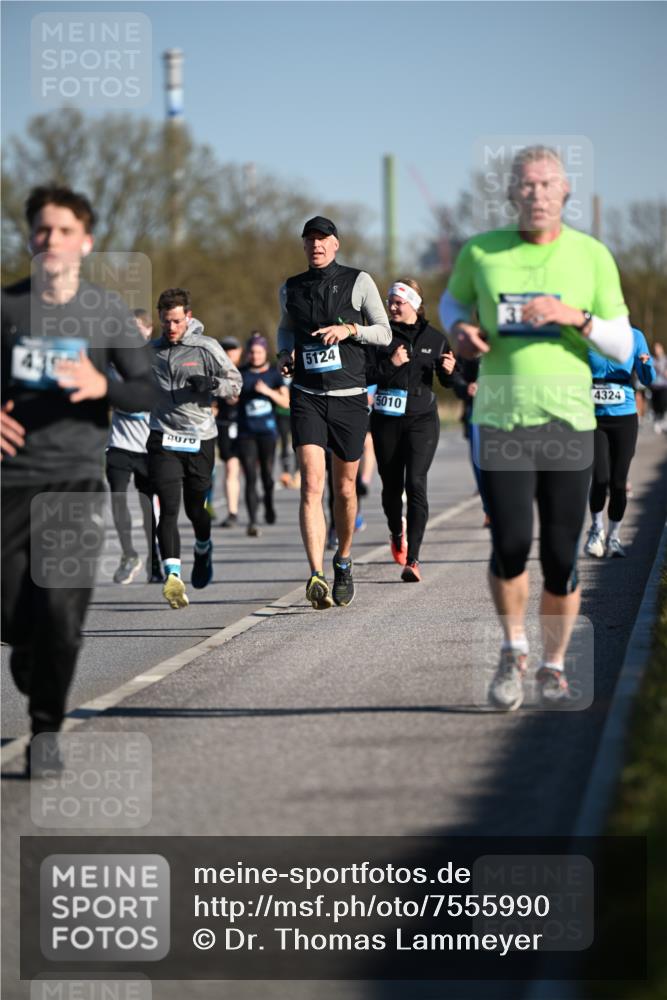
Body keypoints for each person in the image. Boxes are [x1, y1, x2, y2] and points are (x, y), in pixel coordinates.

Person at [440, 145, 633, 710]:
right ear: (511, 193)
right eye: (526, 185)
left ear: (565, 192)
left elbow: (622, 343)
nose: (537, 194)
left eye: (548, 184)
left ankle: (553, 665)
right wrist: (458, 330)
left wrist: (573, 315)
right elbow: (452, 302)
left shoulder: (591, 256)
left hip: (570, 422)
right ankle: (513, 648)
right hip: (500, 421)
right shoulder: (482, 252)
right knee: (510, 544)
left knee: (560, 557)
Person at [1, 184, 156, 769]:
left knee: (63, 615)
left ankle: (45, 733)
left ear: (85, 242)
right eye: (42, 230)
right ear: (29, 238)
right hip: (9, 485)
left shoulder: (105, 311)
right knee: (16, 617)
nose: (52, 240)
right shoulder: (8, 309)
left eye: (64, 230)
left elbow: (146, 388)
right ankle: (24, 648)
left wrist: (103, 388)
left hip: (72, 482)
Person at [276, 215, 391, 609]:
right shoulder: (291, 287)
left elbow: (385, 331)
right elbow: (285, 328)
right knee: (311, 485)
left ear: (336, 244)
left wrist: (350, 331)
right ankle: (316, 575)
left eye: (323, 240)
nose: (316, 246)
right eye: (310, 240)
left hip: (349, 396)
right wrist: (283, 352)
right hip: (307, 395)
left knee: (344, 489)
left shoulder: (359, 281)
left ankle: (342, 559)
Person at [147, 288, 242, 609]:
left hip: (200, 437)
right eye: (165, 322)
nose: (171, 327)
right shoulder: (151, 351)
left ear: (188, 317)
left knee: (195, 510)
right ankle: (173, 575)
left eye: (176, 321)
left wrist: (212, 385)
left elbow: (235, 383)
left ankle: (203, 547)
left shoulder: (206, 347)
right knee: (168, 507)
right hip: (163, 436)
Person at [369, 279, 457, 581]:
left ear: (415, 305)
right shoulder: (379, 336)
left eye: (398, 301)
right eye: (390, 301)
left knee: (416, 483)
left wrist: (449, 372)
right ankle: (396, 531)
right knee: (391, 487)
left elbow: (448, 383)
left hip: (422, 420)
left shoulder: (435, 338)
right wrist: (391, 364)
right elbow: (365, 374)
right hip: (386, 419)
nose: (392, 306)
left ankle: (414, 559)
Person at [584, 326, 655, 559]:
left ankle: (614, 536)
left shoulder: (635, 336)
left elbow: (648, 379)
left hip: (624, 417)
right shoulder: (587, 334)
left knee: (618, 481)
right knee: (600, 477)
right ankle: (597, 530)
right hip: (593, 418)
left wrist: (645, 365)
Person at [106, 307, 163, 584]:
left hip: (148, 446)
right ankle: (129, 553)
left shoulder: (156, 360)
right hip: (118, 443)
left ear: (148, 330)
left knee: (147, 505)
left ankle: (155, 559)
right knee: (117, 498)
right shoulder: (113, 361)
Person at [236, 332, 289, 536]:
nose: (254, 356)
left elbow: (286, 402)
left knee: (267, 476)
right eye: (251, 352)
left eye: (258, 352)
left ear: (264, 352)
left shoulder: (274, 375)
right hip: (246, 433)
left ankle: (268, 503)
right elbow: (231, 396)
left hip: (268, 432)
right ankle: (252, 521)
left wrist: (268, 392)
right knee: (250, 476)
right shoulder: (240, 373)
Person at [214, 335, 243, 527]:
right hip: (225, 426)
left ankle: (260, 503)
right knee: (231, 468)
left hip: (248, 427)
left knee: (254, 471)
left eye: (232, 349)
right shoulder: (215, 373)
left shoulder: (247, 372)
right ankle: (233, 512)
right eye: (225, 350)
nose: (229, 353)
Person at [650, 342, 667, 432]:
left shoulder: (665, 359)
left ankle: (663, 421)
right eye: (655, 348)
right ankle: (657, 422)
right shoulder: (652, 360)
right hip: (654, 386)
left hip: (663, 386)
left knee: (663, 404)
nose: (656, 350)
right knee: (655, 406)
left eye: (658, 348)